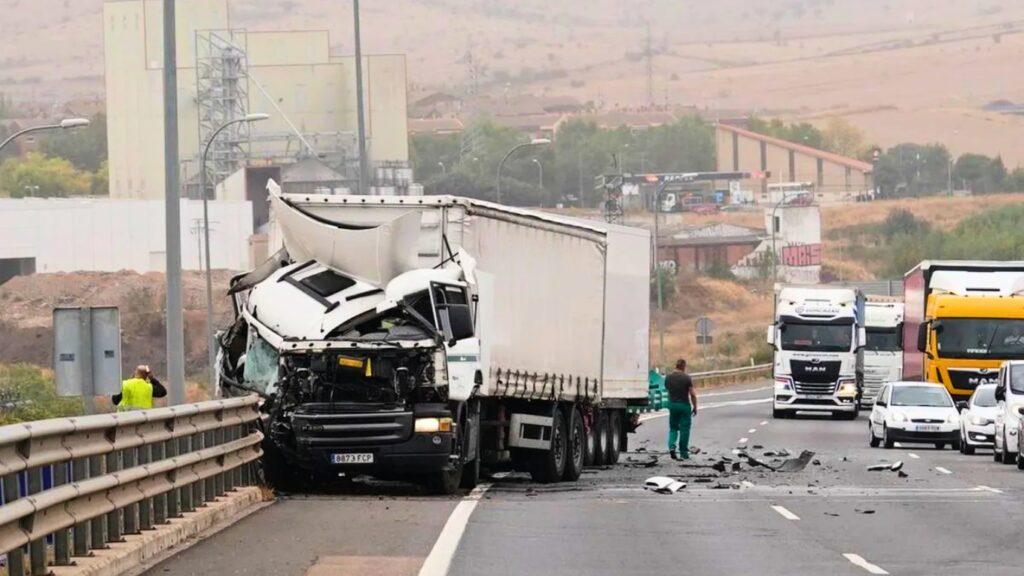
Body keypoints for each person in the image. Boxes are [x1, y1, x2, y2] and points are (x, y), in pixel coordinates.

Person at [665, 358, 698, 460]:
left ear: (676, 366)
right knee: (684, 429)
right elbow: (692, 394)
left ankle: (671, 446)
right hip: (684, 406)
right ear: (683, 366)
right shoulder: (687, 378)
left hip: (673, 405)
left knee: (673, 428)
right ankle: (683, 453)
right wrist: (695, 407)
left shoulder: (668, 377)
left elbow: (667, 390)